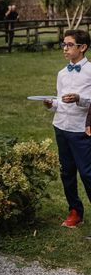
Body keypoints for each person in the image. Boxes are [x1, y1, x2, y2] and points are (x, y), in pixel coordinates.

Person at [44, 29, 91, 228]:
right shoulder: (62, 74)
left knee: (88, 173)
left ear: (83, 47)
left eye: (70, 45)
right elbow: (60, 100)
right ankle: (74, 211)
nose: (65, 48)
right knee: (67, 172)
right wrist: (51, 104)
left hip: (82, 130)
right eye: (64, 44)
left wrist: (79, 99)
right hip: (61, 126)